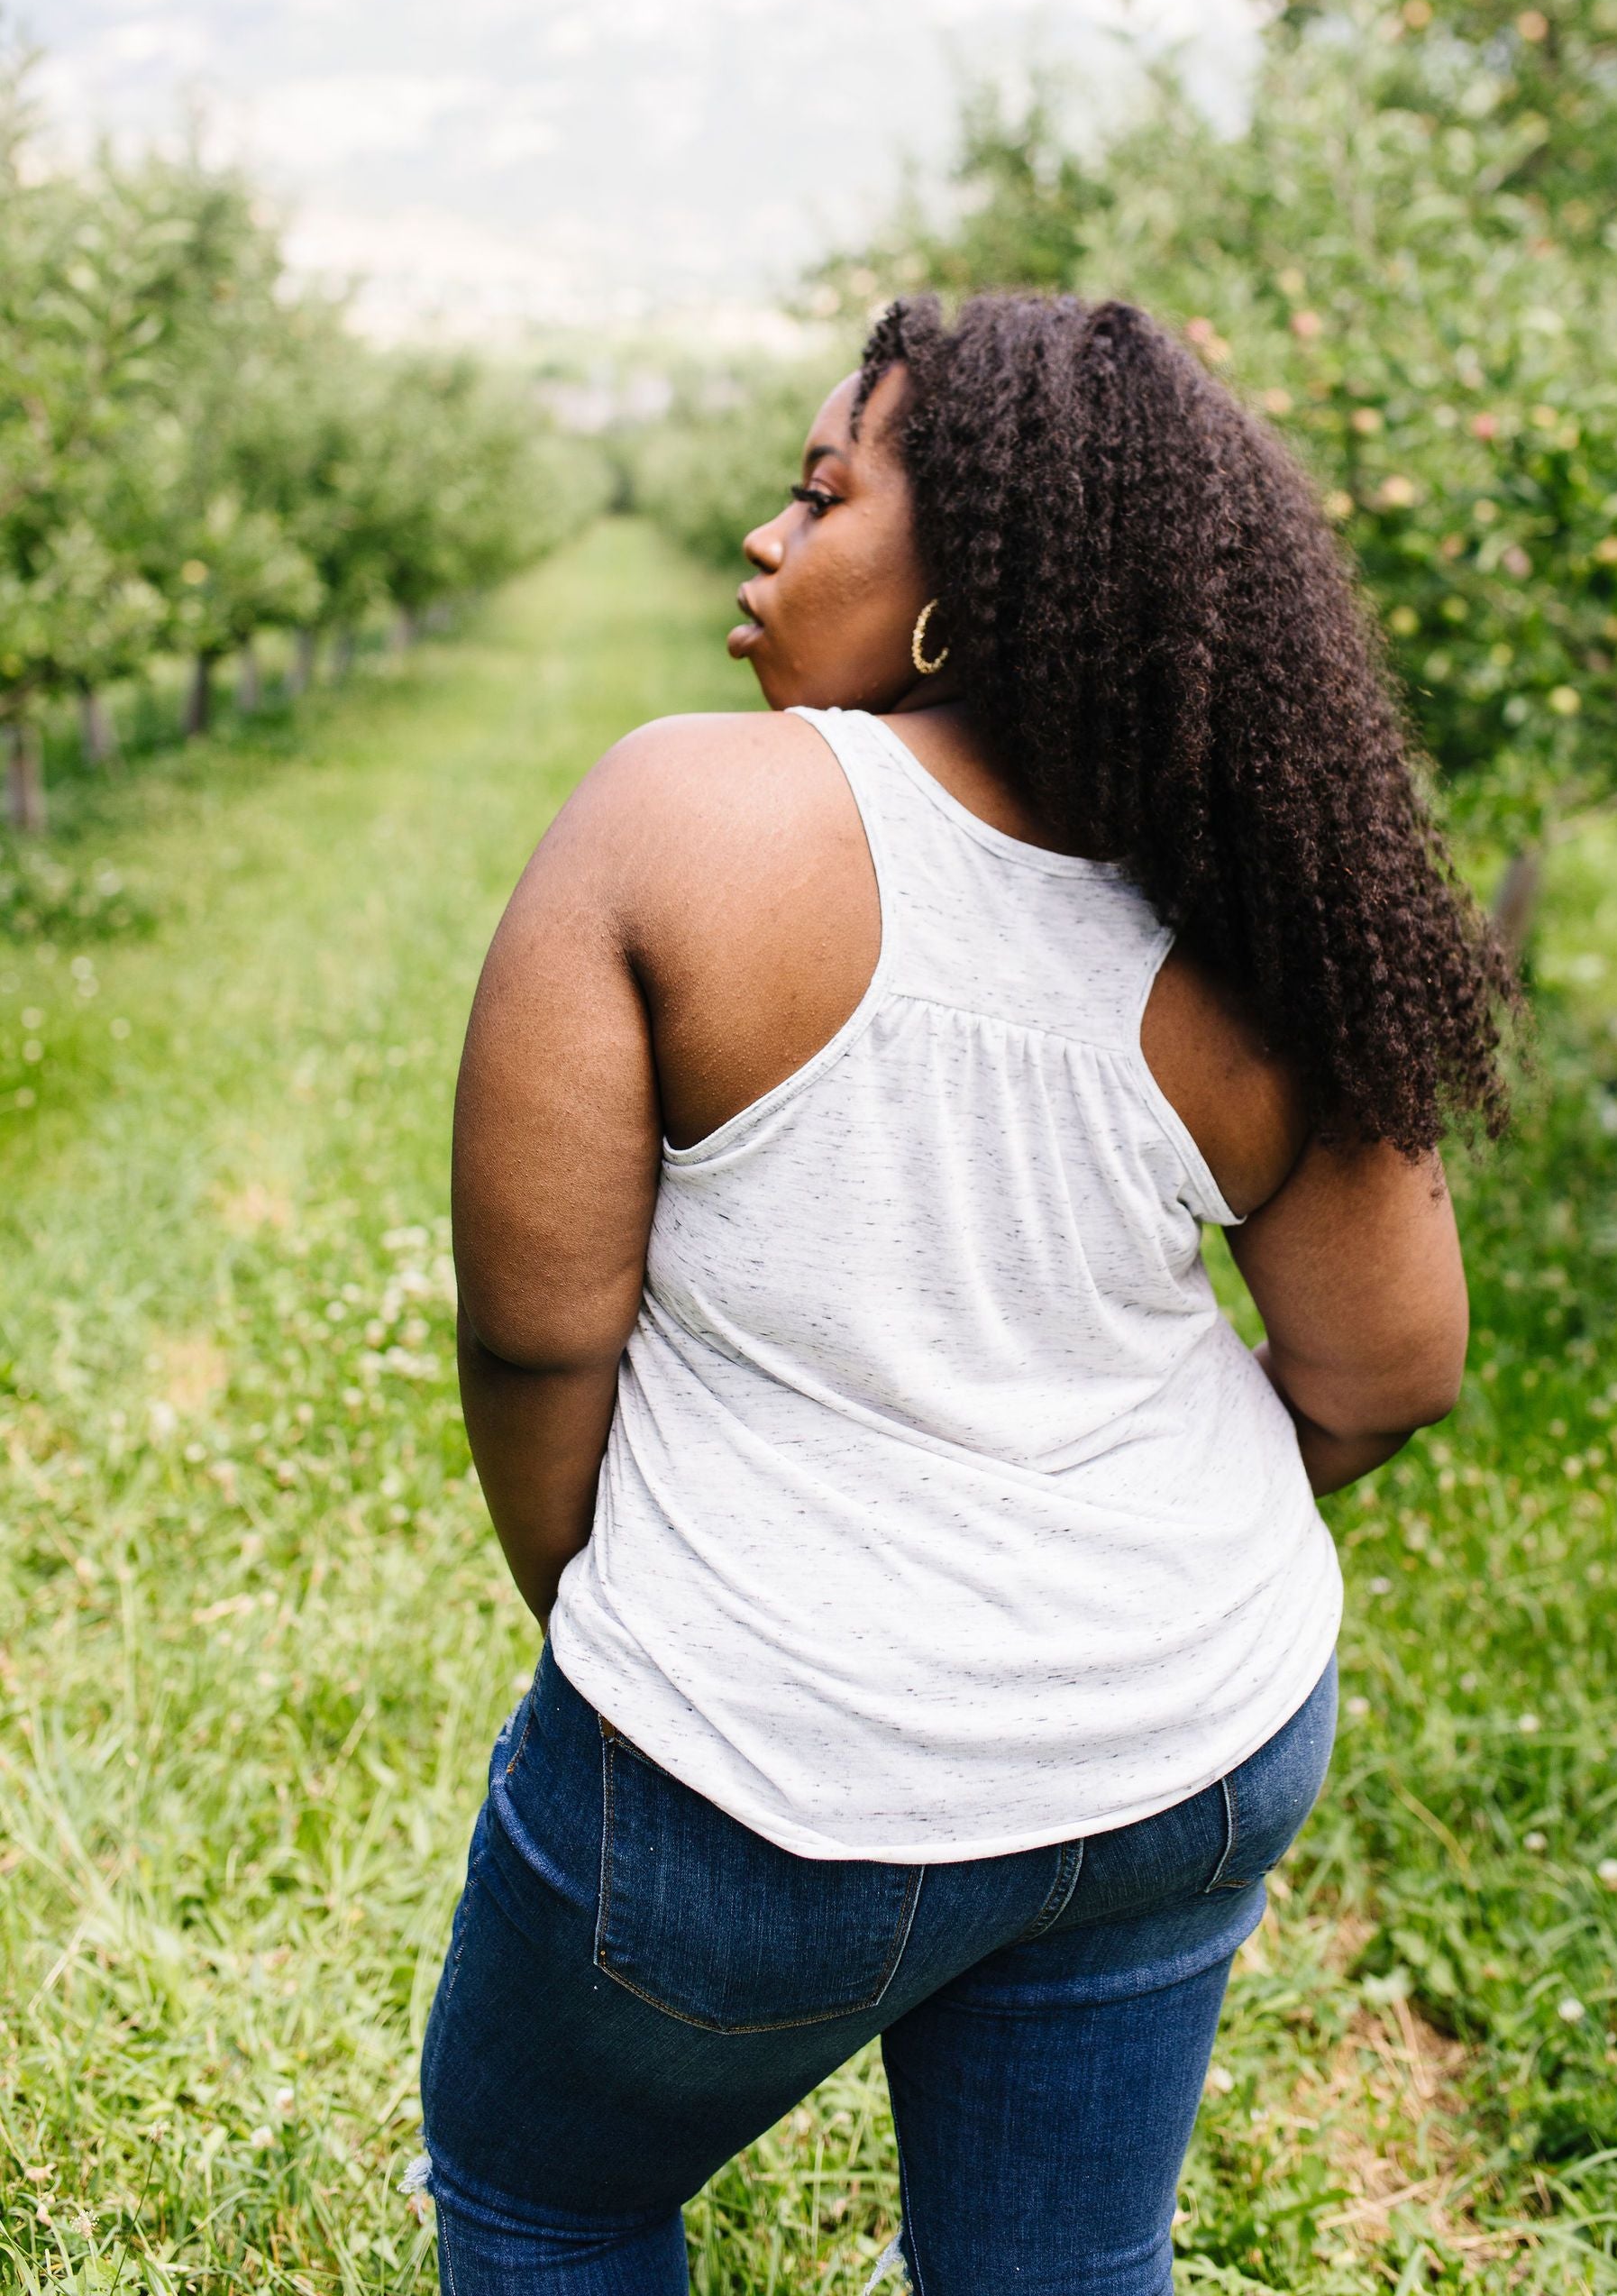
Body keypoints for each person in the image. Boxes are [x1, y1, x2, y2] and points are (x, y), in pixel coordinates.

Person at [420, 293, 1506, 2294]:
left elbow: (539, 1330)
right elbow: (1383, 1378)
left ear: (975, 584)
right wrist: (1096, 1566)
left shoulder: (682, 817)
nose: (763, 536)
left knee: (548, 2195)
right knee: (1062, 2271)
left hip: (750, 1762)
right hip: (1186, 1737)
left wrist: (619, 1617)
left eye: (821, 492)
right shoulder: (1256, 913)